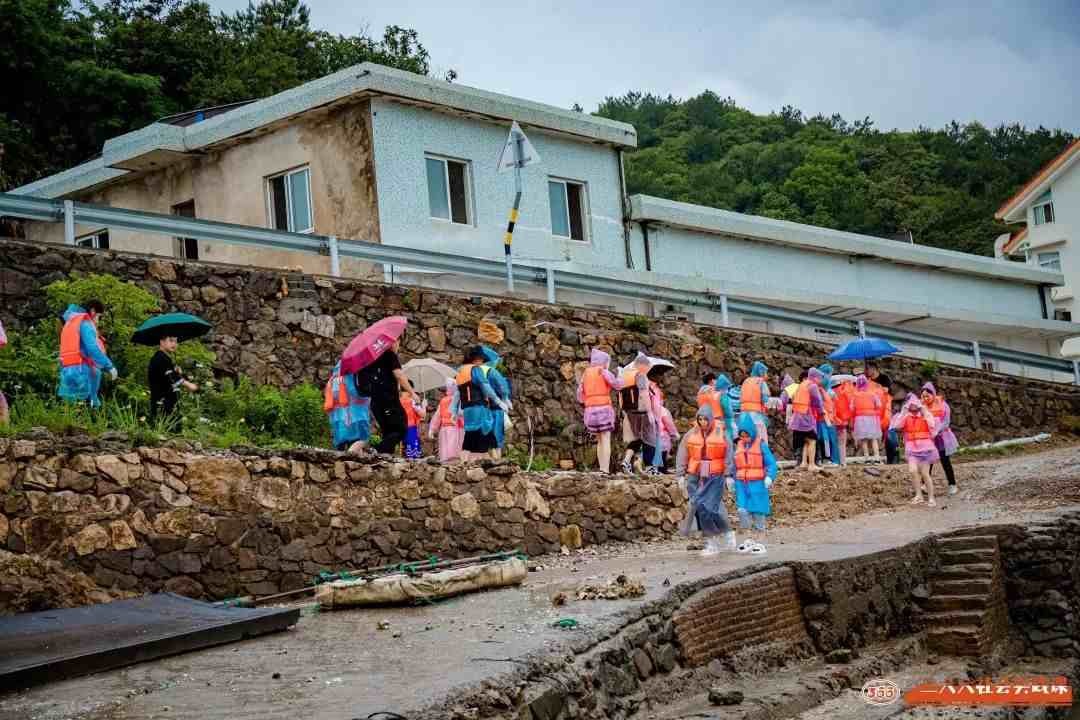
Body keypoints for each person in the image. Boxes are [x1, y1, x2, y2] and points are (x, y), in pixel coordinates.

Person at [676, 405, 737, 556]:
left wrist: (729, 475)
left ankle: (721, 537)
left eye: (705, 419)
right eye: (700, 419)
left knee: (710, 508)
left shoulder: (721, 433)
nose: (703, 422)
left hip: (714, 474)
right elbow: (682, 453)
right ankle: (715, 539)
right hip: (695, 474)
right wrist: (680, 474)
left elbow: (729, 453)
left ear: (711, 419)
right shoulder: (691, 434)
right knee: (701, 507)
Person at [355, 337, 418, 455]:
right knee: (401, 429)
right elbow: (399, 375)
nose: (398, 344)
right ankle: (375, 450)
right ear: (393, 342)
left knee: (388, 432)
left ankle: (384, 458)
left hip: (375, 402)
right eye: (397, 341)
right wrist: (412, 393)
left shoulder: (371, 359)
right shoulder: (390, 355)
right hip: (388, 400)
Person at [730, 414, 778, 554]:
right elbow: (735, 466)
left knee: (758, 513)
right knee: (742, 511)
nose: (744, 439)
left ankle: (760, 541)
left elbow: (771, 464)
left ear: (752, 433)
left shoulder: (761, 445)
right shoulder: (738, 446)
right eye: (742, 436)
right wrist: (731, 478)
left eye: (746, 435)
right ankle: (749, 538)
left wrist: (769, 477)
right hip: (741, 484)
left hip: (757, 484)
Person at [58, 300, 116, 408]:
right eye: (99, 317)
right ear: (93, 311)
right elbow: (93, 348)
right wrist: (109, 366)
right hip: (83, 372)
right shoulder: (85, 324)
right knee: (89, 406)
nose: (98, 321)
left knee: (71, 407)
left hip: (67, 371)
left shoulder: (70, 323)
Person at [456, 346, 508, 460]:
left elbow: (457, 394)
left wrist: (453, 411)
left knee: (471, 431)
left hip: (467, 408)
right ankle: (495, 457)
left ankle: (465, 457)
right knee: (486, 428)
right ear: (475, 359)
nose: (482, 362)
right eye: (481, 359)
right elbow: (485, 387)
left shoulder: (460, 372)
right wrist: (498, 400)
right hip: (478, 405)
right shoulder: (476, 370)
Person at [577, 348, 622, 473]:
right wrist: (621, 377)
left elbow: (580, 394)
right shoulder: (603, 371)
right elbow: (617, 385)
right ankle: (605, 469)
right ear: (604, 361)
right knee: (606, 439)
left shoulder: (586, 374)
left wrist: (588, 401)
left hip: (590, 411)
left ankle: (602, 469)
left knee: (599, 440)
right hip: (603, 410)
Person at [890, 394, 940, 506]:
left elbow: (933, 425)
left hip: (925, 448)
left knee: (925, 473)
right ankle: (919, 496)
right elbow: (896, 426)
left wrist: (924, 410)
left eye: (915, 406)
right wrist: (903, 412)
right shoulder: (906, 416)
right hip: (912, 449)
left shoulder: (925, 415)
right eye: (910, 406)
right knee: (913, 471)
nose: (913, 408)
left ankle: (931, 498)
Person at [620, 352, 658, 475]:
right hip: (642, 411)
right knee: (650, 438)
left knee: (638, 438)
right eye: (648, 366)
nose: (649, 368)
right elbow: (643, 394)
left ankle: (626, 461)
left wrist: (624, 412)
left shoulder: (626, 376)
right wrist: (650, 412)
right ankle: (650, 468)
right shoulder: (641, 376)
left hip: (630, 411)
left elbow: (620, 396)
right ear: (642, 365)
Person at [782, 367, 825, 472]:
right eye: (820, 378)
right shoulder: (813, 386)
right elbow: (818, 401)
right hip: (806, 415)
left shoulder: (802, 384)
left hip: (797, 416)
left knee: (805, 441)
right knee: (812, 440)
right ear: (815, 377)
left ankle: (803, 463)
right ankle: (811, 465)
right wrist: (821, 411)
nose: (821, 380)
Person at [147, 335, 198, 424]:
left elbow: (169, 376)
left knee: (171, 425)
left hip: (168, 399)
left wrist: (178, 372)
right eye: (171, 341)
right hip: (162, 400)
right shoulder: (160, 358)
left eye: (176, 341)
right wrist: (189, 384)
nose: (174, 344)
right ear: (161, 342)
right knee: (165, 426)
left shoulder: (165, 358)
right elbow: (171, 378)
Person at [921, 382, 960, 495]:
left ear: (933, 394)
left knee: (945, 460)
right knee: (929, 461)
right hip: (930, 439)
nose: (925, 398)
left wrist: (937, 431)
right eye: (923, 396)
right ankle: (924, 485)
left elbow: (946, 421)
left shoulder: (943, 405)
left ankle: (952, 484)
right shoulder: (922, 406)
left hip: (942, 438)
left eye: (927, 396)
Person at [325, 361, 372, 452]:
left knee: (341, 442)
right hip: (355, 414)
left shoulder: (333, 378)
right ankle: (350, 457)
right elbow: (356, 392)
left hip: (338, 417)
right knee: (361, 438)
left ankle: (341, 460)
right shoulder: (351, 375)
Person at [481, 347, 512, 459]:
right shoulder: (493, 372)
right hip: (496, 408)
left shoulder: (475, 373)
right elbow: (502, 387)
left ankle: (488, 456)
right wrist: (505, 398)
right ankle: (496, 457)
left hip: (482, 408)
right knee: (497, 432)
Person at [867, 363, 899, 464]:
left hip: (886, 408)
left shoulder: (885, 378)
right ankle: (875, 457)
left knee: (889, 432)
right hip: (874, 410)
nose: (867, 371)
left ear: (875, 369)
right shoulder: (867, 381)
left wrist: (878, 388)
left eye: (868, 369)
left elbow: (888, 391)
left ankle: (893, 456)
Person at [428, 379, 464, 462]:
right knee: (455, 452)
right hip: (456, 429)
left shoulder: (443, 401)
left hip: (444, 429)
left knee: (445, 451)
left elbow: (437, 416)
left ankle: (446, 469)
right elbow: (462, 414)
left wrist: (432, 429)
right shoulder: (459, 399)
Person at [851, 374, 883, 459]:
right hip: (872, 418)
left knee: (863, 439)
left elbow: (851, 407)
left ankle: (866, 458)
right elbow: (879, 405)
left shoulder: (855, 395)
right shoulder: (872, 394)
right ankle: (876, 457)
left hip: (860, 418)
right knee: (874, 438)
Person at [739, 361, 771, 443]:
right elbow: (765, 400)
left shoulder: (746, 381)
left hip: (743, 417)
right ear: (761, 372)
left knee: (746, 442)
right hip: (757, 418)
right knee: (760, 442)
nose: (767, 375)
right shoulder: (761, 382)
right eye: (766, 373)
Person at [815, 364, 840, 466]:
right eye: (830, 373)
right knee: (828, 440)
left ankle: (826, 459)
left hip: (824, 419)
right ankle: (830, 459)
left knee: (824, 439)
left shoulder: (820, 390)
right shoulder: (829, 392)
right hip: (827, 419)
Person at [832, 376, 855, 465]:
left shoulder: (829, 392)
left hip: (832, 421)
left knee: (834, 442)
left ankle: (835, 461)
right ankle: (843, 461)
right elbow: (850, 407)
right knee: (842, 442)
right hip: (843, 421)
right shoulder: (845, 392)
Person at [400, 390, 427, 459]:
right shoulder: (412, 401)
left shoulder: (397, 401)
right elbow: (423, 414)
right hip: (410, 428)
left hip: (400, 428)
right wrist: (424, 406)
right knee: (413, 453)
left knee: (404, 450)